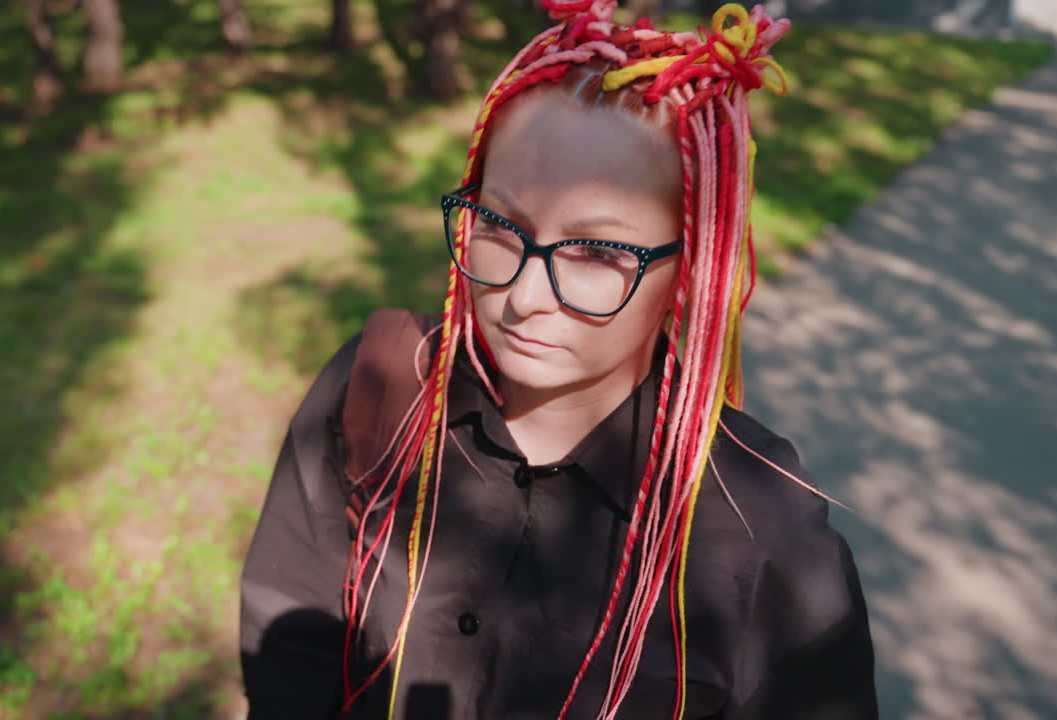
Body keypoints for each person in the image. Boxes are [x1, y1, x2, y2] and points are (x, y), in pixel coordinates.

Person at [239, 2, 878, 718]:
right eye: (501, 225)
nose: (524, 295)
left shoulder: (764, 529)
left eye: (599, 251)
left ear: (690, 269)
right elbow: (287, 637)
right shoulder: (380, 386)